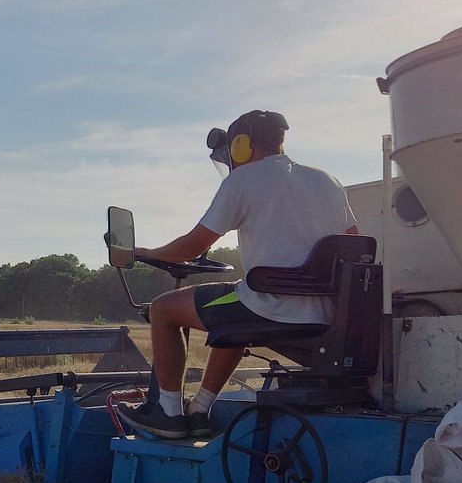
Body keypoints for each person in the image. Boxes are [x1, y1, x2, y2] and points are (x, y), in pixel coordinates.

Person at [117, 110, 358, 440]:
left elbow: (191, 246)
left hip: (271, 305)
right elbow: (355, 244)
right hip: (327, 313)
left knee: (163, 309)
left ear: (241, 145)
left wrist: (147, 252)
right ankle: (200, 410)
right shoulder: (327, 181)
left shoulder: (242, 181)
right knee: (233, 310)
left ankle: (168, 413)